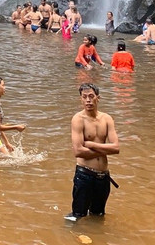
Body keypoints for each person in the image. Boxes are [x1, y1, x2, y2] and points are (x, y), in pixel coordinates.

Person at [65, 83, 120, 222]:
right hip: (84, 174)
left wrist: (91, 144)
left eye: (91, 96)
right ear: (81, 99)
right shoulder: (78, 119)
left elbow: (116, 148)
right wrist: (103, 149)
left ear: (98, 98)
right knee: (77, 215)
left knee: (98, 216)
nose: (88, 100)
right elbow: (78, 151)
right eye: (84, 97)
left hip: (103, 176)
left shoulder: (107, 119)